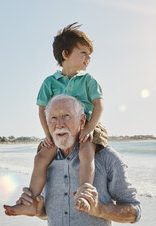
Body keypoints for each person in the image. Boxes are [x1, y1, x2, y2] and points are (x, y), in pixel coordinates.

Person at [4, 95, 141, 226]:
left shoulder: (107, 158)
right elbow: (46, 214)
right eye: (53, 118)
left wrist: (100, 209)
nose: (59, 124)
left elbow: (134, 212)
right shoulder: (44, 162)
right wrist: (38, 210)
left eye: (66, 116)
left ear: (82, 121)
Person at [6, 22, 106, 214]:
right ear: (65, 54)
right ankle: (29, 201)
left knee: (86, 150)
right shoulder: (49, 82)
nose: (88, 58)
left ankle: (85, 194)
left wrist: (90, 129)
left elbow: (99, 105)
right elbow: (42, 110)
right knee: (41, 157)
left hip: (87, 126)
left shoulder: (88, 80)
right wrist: (47, 135)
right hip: (59, 129)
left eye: (90, 55)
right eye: (83, 53)